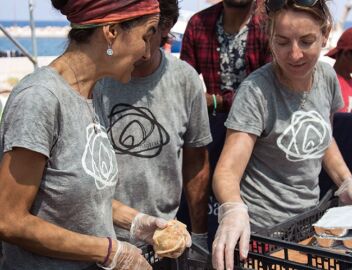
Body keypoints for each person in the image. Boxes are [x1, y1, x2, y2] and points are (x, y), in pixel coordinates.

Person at [0, 1, 188, 269]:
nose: (147, 52)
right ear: (111, 31)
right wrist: (109, 251)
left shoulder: (93, 93)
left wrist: (134, 222)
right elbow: (9, 220)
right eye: (146, 36)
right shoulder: (40, 98)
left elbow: (74, 198)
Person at [210, 0, 352, 269]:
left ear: (325, 33)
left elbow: (323, 136)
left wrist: (345, 181)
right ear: (269, 38)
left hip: (308, 227)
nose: (295, 54)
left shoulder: (328, 78)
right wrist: (233, 209)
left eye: (306, 41)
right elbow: (226, 172)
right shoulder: (256, 91)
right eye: (282, 42)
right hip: (263, 236)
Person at [93, 0, 212, 251]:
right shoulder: (97, 79)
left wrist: (199, 233)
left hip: (163, 239)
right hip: (103, 240)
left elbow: (196, 163)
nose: (143, 52)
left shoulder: (185, 79)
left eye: (149, 34)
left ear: (165, 26)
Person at [180, 1, 271, 215]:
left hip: (261, 136)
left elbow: (271, 89)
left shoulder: (269, 23)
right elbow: (184, 82)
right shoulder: (198, 23)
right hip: (212, 134)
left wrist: (216, 101)